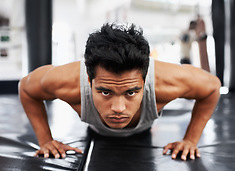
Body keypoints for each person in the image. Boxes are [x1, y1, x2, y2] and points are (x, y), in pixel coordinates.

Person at [19, 23, 221, 161]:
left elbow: (212, 86)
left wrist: (190, 140)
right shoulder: (67, 81)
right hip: (96, 132)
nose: (118, 108)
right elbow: (27, 89)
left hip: (144, 131)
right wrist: (45, 141)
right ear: (89, 81)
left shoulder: (167, 81)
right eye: (105, 92)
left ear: (145, 80)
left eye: (131, 92)